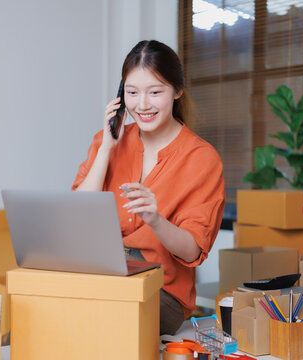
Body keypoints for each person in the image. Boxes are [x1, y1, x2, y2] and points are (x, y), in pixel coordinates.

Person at [72, 40, 225, 335]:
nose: (142, 105)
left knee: (94, 321)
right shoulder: (108, 141)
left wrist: (156, 220)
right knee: (45, 304)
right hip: (102, 273)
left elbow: (193, 249)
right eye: (132, 93)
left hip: (161, 290)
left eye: (155, 92)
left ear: (176, 91)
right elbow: (78, 215)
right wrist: (106, 147)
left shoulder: (201, 158)